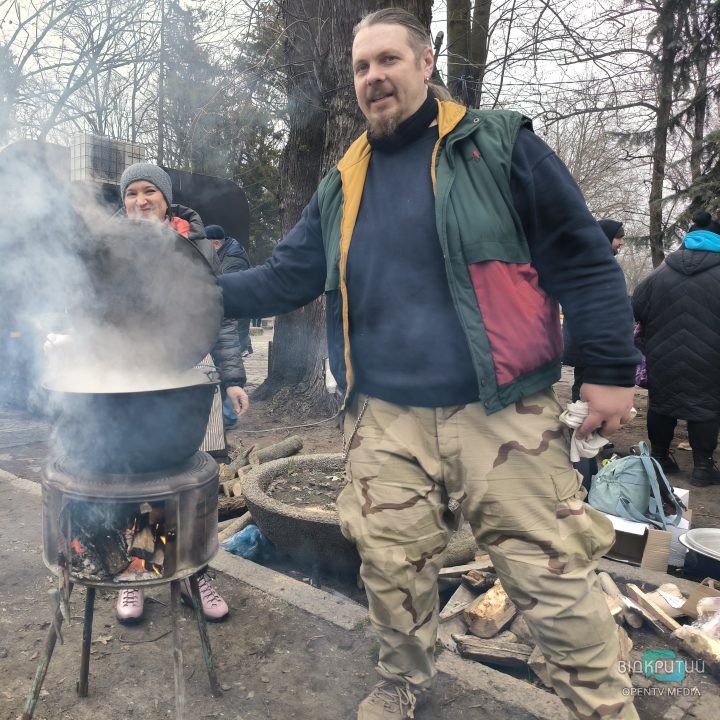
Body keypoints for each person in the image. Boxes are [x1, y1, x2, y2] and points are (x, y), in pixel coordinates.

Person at [218, 9, 640, 720]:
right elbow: (284, 278)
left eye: (388, 60)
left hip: (502, 412)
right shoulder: (343, 181)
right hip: (384, 416)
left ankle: (602, 706)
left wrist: (609, 369)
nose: (374, 77)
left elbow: (581, 255)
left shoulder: (498, 144)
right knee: (390, 565)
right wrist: (194, 292)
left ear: (425, 61)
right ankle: (402, 678)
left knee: (553, 575)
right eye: (361, 67)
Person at [114, 162, 248, 625]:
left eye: (149, 191)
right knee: (144, 475)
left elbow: (220, 315)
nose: (140, 201)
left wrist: (233, 378)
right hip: (128, 378)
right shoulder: (108, 244)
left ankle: (193, 573)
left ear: (166, 198)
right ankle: (141, 566)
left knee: (194, 476)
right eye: (131, 194)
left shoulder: (197, 246)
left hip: (188, 376)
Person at [633, 211, 720, 487]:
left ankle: (659, 459)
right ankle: (703, 469)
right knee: (704, 407)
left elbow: (637, 308)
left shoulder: (660, 273)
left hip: (663, 354)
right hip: (710, 357)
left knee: (662, 404)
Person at [562, 218, 627, 489]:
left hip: (588, 350)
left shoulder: (587, 262)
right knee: (586, 412)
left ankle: (587, 466)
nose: (622, 242)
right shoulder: (595, 267)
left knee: (586, 407)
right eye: (619, 237)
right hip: (593, 352)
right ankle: (584, 476)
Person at [205, 223, 253, 429]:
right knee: (223, 366)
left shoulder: (232, 262)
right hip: (231, 320)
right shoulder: (227, 253)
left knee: (226, 366)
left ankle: (229, 417)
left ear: (215, 244)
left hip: (235, 321)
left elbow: (224, 293)